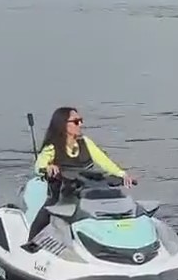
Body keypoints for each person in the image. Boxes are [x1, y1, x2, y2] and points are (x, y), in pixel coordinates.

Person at [22, 106, 137, 252]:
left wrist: (122, 175)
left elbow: (104, 161)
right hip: (62, 195)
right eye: (76, 121)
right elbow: (39, 166)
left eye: (80, 121)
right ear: (64, 124)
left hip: (86, 194)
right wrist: (48, 168)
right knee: (48, 209)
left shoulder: (86, 142)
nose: (80, 124)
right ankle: (31, 243)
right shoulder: (52, 148)